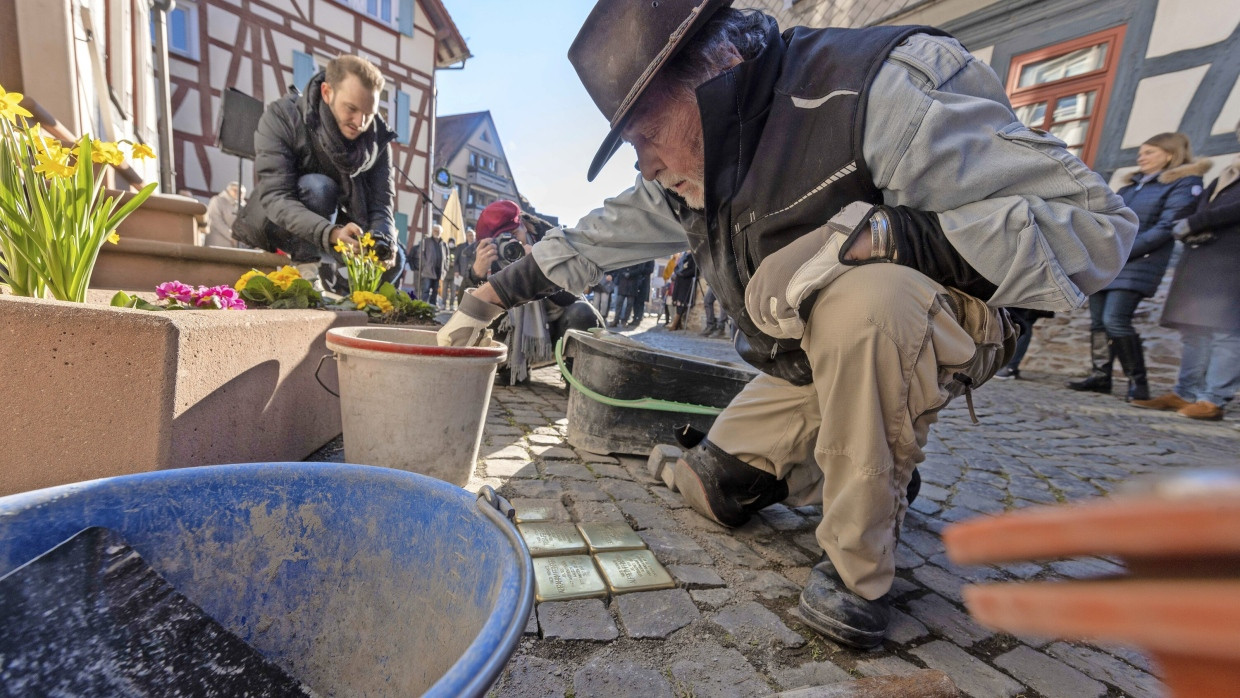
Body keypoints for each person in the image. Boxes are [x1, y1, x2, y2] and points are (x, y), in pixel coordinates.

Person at [439, 2, 1135, 648]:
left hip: (939, 321)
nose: (643, 161)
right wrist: (486, 300)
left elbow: (1099, 232)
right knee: (714, 486)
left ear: (716, 77)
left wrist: (885, 235)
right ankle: (863, 459)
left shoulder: (880, 89)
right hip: (806, 360)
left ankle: (859, 563)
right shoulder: (692, 172)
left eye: (645, 133)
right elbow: (595, 239)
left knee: (872, 297)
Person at [233, 54, 405, 291]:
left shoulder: (377, 140)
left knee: (397, 259)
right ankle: (307, 277)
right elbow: (276, 197)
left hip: (337, 230)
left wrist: (384, 239)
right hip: (280, 225)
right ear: (327, 93)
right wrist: (331, 233)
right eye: (351, 109)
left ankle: (353, 296)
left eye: (369, 113)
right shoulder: (283, 116)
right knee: (319, 187)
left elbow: (381, 205)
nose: (360, 122)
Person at [1065, 133, 1205, 401]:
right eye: (1140, 152)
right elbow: (1108, 219)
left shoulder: (1184, 183)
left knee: (1115, 320)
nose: (1141, 157)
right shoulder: (1131, 187)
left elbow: (1167, 227)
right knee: (1098, 323)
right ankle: (1100, 377)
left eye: (1149, 152)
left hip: (1140, 262)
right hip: (1109, 262)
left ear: (1170, 154)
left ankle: (1137, 383)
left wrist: (1121, 251)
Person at [1133, 121, 1240, 420]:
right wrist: (1187, 221)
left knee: (1225, 333)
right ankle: (1186, 392)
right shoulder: (1228, 172)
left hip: (1232, 264)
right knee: (1194, 331)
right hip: (1203, 259)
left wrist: (1196, 223)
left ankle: (1213, 399)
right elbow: (1195, 206)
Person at [465, 200, 602, 383]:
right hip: (509, 337)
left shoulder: (548, 244)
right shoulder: (488, 257)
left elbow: (571, 297)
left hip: (554, 331)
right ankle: (511, 367)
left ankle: (576, 377)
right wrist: (476, 275)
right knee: (487, 306)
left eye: (514, 234)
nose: (512, 242)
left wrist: (542, 266)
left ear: (524, 225)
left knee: (582, 312)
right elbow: (466, 311)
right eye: (503, 238)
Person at [993, 308, 1054, 379]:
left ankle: (1011, 368)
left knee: (1024, 326)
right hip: (1024, 306)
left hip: (1028, 305)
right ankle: (1009, 367)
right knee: (1022, 323)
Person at [205, 182, 245, 248]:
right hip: (217, 243)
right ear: (228, 190)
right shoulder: (217, 201)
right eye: (235, 191)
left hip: (235, 246)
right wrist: (232, 236)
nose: (239, 194)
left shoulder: (243, 206)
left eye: (242, 193)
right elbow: (216, 221)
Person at [419, 224, 448, 306]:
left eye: (438, 231)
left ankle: (432, 306)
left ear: (441, 232)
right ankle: (423, 306)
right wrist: (425, 265)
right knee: (426, 289)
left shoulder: (444, 243)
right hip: (428, 270)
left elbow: (447, 257)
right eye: (435, 230)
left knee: (435, 290)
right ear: (432, 231)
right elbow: (421, 254)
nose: (436, 232)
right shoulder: (426, 241)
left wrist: (445, 268)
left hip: (439, 271)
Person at [668, 251, 697, 330]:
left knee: (682, 303)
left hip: (686, 283)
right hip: (679, 282)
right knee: (677, 302)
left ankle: (674, 324)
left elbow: (694, 270)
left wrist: (684, 274)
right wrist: (677, 272)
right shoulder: (683, 256)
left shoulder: (693, 257)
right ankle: (678, 324)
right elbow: (677, 267)